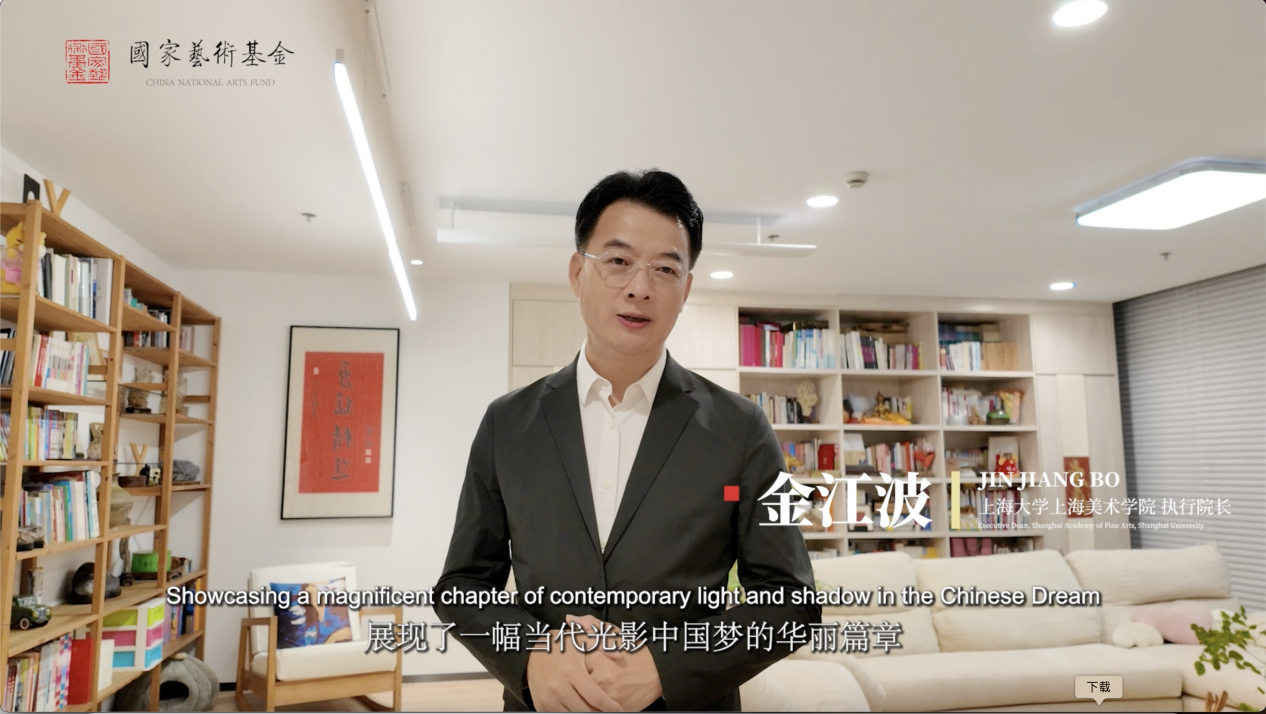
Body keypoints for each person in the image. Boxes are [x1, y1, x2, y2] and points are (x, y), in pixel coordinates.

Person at [434, 169, 820, 711]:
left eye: (665, 268)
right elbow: (461, 586)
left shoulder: (743, 429)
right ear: (578, 272)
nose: (640, 286)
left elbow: (792, 602)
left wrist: (667, 665)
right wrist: (531, 655)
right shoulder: (507, 423)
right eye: (618, 261)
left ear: (685, 289)